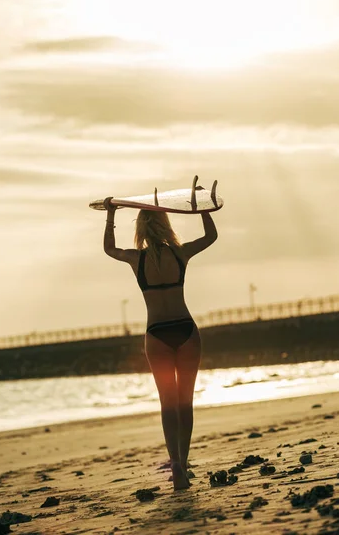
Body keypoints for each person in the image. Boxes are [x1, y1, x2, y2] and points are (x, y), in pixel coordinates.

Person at [102, 198, 218, 490]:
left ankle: (176, 463)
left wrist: (111, 215)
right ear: (166, 225)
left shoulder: (135, 258)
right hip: (186, 330)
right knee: (185, 401)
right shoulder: (180, 254)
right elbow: (210, 237)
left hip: (156, 334)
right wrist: (203, 209)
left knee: (168, 402)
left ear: (141, 228)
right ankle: (185, 461)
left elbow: (108, 249)